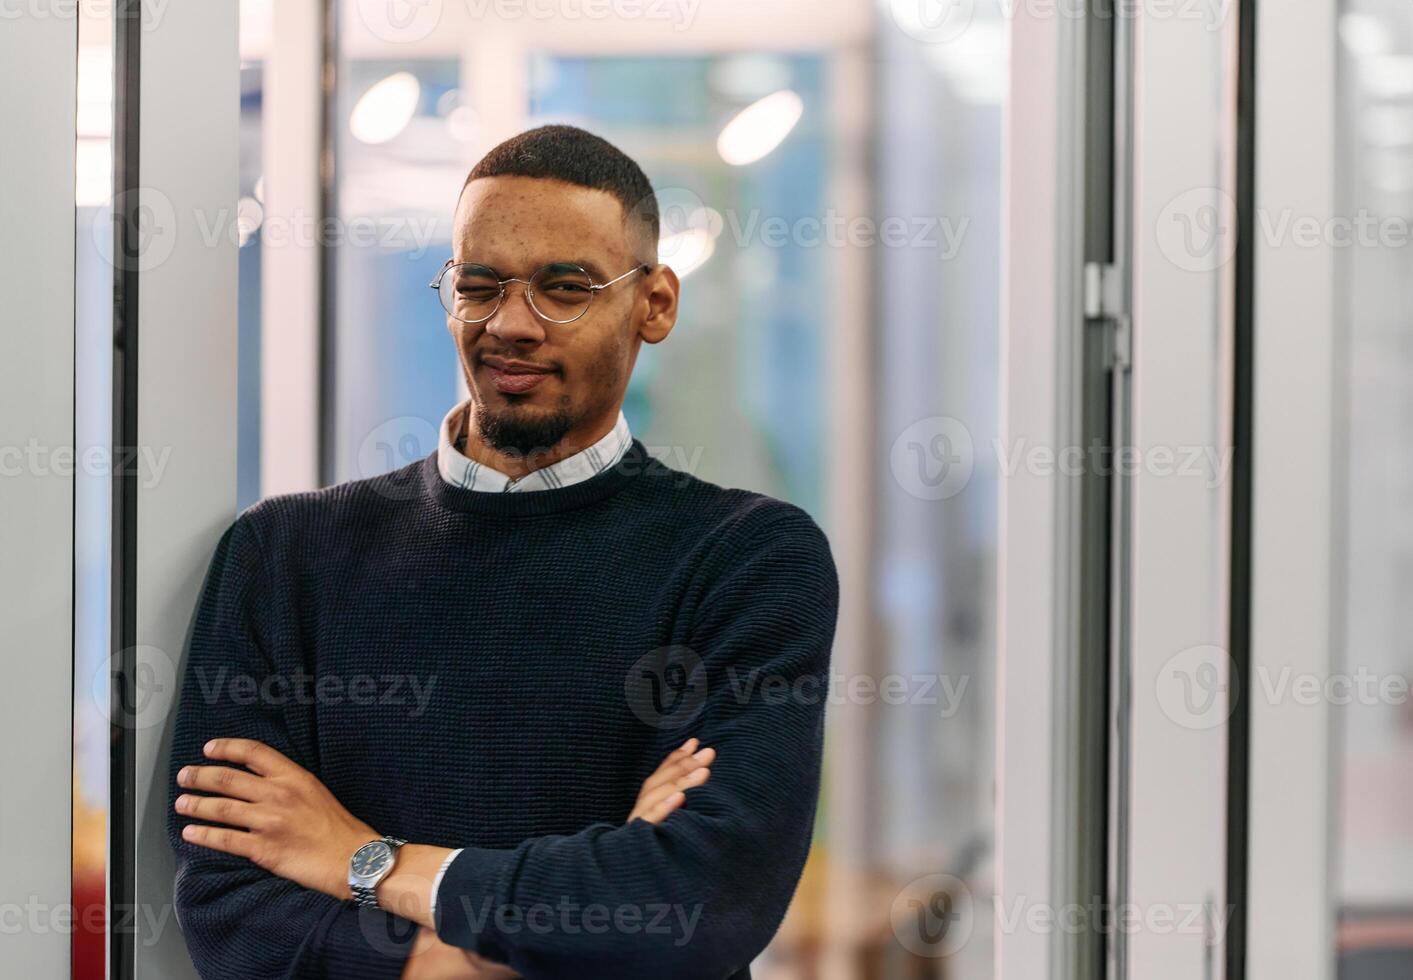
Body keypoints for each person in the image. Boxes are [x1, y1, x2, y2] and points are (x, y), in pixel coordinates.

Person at [166, 124, 839, 980]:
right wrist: (478, 958)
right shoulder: (283, 553)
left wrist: (363, 859)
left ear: (656, 304)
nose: (512, 325)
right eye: (480, 285)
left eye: (566, 288)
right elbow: (230, 904)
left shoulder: (746, 559)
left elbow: (700, 902)